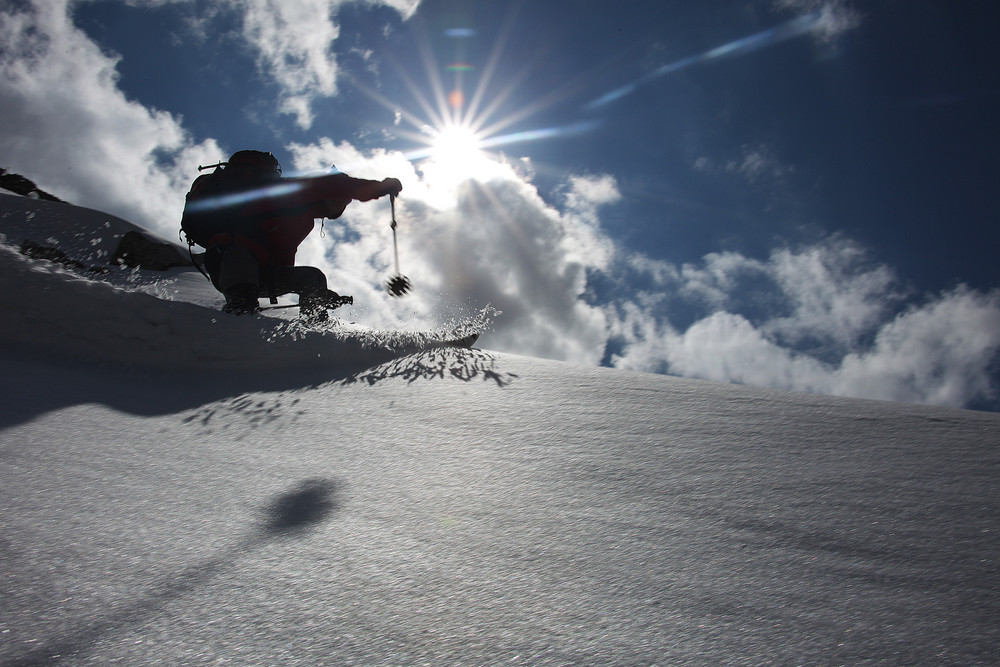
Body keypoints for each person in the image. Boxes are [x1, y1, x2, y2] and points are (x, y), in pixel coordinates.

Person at [180, 150, 402, 321]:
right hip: (233, 256)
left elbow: (282, 264)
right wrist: (381, 187)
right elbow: (337, 184)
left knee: (312, 278)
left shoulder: (300, 219)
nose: (340, 206)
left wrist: (320, 294)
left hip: (252, 269)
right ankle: (222, 346)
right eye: (340, 201)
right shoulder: (294, 193)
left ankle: (316, 338)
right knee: (241, 312)